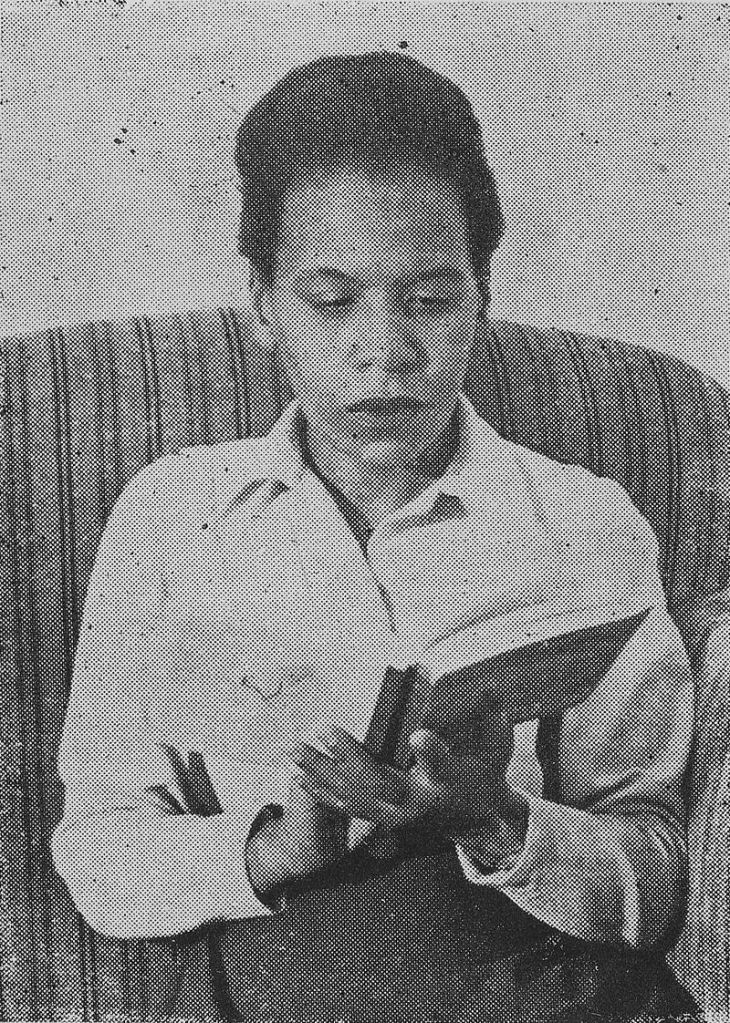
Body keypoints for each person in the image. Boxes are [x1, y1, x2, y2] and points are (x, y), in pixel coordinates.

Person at [52, 51, 697, 1021]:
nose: (385, 348)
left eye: (431, 299)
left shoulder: (583, 521)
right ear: (263, 304)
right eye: (331, 299)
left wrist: (496, 819)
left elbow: (657, 873)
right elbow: (99, 845)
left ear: (482, 292)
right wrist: (276, 847)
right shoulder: (170, 517)